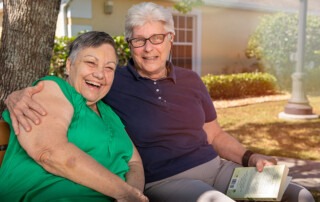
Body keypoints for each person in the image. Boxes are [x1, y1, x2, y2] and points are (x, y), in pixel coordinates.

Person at [5, 2, 315, 202]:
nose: (148, 48)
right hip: (169, 181)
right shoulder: (114, 83)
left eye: (157, 38)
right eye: (139, 40)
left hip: (220, 168)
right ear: (130, 45)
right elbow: (67, 93)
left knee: (298, 195)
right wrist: (13, 96)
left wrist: (249, 157)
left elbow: (215, 135)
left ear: (171, 38)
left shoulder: (192, 80)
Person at [0, 31, 148, 202]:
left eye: (109, 68)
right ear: (69, 66)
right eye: (91, 63)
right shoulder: (53, 89)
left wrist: (133, 195)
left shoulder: (109, 113)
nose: (100, 74)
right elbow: (49, 152)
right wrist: (124, 193)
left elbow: (134, 163)